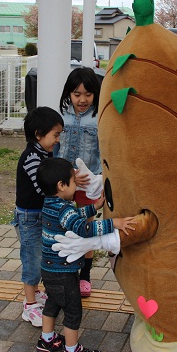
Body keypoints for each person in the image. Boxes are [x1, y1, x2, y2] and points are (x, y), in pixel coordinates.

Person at [35, 157, 136, 352]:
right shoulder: (64, 209)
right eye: (73, 182)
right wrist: (113, 223)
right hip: (64, 273)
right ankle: (73, 349)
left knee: (52, 303)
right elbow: (83, 228)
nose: (76, 186)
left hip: (48, 270)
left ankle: (46, 341)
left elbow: (72, 218)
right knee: (73, 311)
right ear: (61, 185)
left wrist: (94, 206)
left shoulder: (50, 204)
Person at [13, 106, 64, 327]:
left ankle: (34, 293)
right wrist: (65, 189)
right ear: (38, 134)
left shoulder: (44, 152)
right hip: (28, 218)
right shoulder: (31, 158)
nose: (57, 139)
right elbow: (43, 188)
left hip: (38, 215)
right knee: (31, 260)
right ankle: (30, 305)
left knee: (40, 256)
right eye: (55, 135)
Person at [53, 67, 102, 297]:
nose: (82, 99)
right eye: (76, 94)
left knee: (86, 229)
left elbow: (104, 152)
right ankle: (65, 271)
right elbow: (55, 149)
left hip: (88, 184)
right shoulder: (62, 115)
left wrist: (98, 179)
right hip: (63, 183)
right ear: (68, 94)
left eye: (88, 94)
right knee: (61, 225)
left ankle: (85, 276)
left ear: (95, 94)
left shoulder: (99, 117)